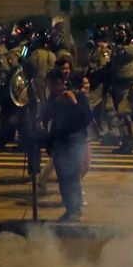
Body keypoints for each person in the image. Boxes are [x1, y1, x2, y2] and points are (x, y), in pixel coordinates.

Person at [43, 68, 91, 222]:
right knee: (64, 180)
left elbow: (84, 117)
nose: (50, 88)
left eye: (51, 85)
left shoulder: (76, 96)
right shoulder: (55, 98)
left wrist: (74, 102)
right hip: (60, 144)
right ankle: (70, 209)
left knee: (71, 179)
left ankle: (75, 210)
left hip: (72, 144)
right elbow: (50, 118)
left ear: (59, 83)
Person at [109, 23, 133, 154]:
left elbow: (121, 50)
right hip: (119, 85)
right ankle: (126, 142)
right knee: (121, 115)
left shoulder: (132, 48)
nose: (119, 35)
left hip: (129, 85)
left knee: (124, 112)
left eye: (121, 32)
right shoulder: (116, 49)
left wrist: (113, 47)